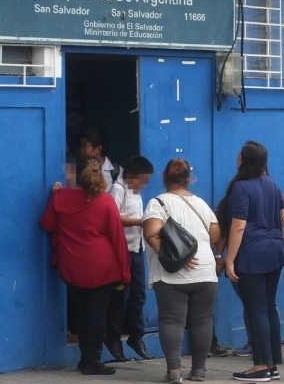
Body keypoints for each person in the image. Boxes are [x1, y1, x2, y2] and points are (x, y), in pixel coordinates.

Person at [40, 157, 131, 375]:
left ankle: (85, 359)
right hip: (102, 267)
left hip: (72, 267)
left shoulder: (60, 198)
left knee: (82, 314)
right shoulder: (105, 201)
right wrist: (125, 273)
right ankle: (91, 361)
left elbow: (47, 224)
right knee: (97, 316)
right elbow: (118, 238)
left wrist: (54, 196)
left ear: (73, 175)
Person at [142, 158, 221, 383]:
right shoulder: (202, 204)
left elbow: (151, 233)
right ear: (189, 179)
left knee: (171, 321)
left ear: (165, 178)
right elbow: (215, 235)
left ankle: (174, 371)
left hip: (171, 275)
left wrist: (174, 258)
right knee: (203, 321)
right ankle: (199, 371)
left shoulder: (158, 203)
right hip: (205, 272)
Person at [219, 141, 284, 382]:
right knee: (269, 307)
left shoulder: (241, 187)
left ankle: (260, 366)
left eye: (239, 154)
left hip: (252, 254)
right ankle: (272, 363)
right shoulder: (273, 183)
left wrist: (229, 260)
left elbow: (238, 226)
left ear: (245, 160)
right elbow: (282, 218)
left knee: (256, 309)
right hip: (274, 251)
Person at [228, 194, 284, 359]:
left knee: (260, 305)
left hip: (250, 256)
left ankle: (263, 351)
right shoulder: (268, 193)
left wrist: (278, 239)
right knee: (259, 304)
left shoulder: (247, 192)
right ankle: (263, 349)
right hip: (263, 255)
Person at [104, 155, 154, 362]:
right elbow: (112, 217)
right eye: (142, 180)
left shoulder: (135, 192)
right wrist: (140, 222)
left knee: (139, 295)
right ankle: (113, 336)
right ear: (132, 176)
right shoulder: (118, 189)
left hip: (136, 250)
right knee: (121, 297)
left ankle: (136, 336)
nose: (143, 185)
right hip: (121, 252)